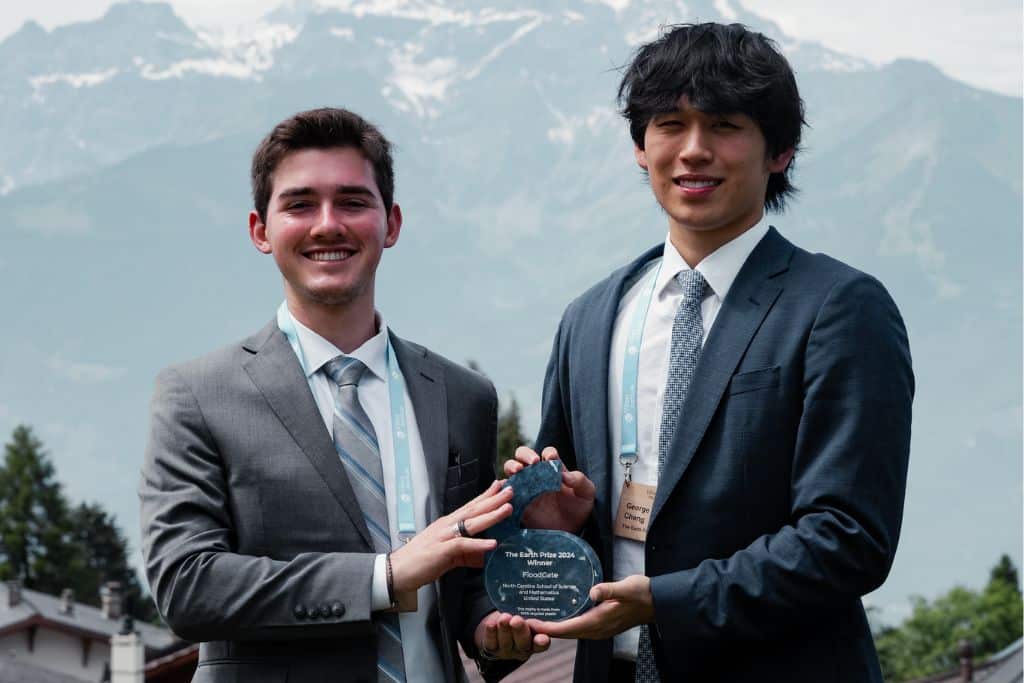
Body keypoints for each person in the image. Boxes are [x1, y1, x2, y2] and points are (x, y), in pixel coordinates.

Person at [506, 23, 914, 682]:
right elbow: (580, 538)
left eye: (724, 125)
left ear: (778, 151)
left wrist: (664, 602)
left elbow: (848, 537)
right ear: (641, 147)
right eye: (670, 123)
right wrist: (569, 523)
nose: (693, 151)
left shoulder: (838, 306)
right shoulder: (589, 318)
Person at [139, 107, 547, 683]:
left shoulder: (463, 395)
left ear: (392, 223)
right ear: (261, 230)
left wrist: (494, 634)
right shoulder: (197, 396)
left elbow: (465, 585)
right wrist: (384, 576)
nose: (328, 224)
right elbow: (187, 587)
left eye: (353, 202)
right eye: (300, 204)